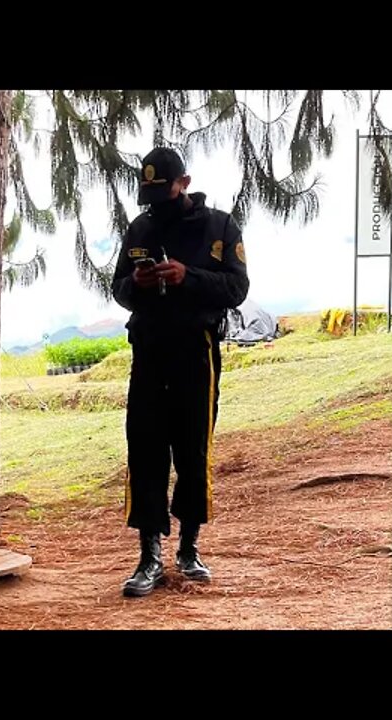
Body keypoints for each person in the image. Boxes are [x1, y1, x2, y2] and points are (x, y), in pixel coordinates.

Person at [111, 147, 249, 597]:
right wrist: (139, 283)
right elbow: (119, 289)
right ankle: (148, 556)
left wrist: (188, 275)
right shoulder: (140, 227)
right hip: (149, 353)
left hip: (196, 351)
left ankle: (189, 549)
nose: (157, 202)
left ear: (184, 183)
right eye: (148, 194)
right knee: (145, 452)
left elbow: (237, 287)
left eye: (164, 190)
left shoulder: (220, 227)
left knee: (193, 452)